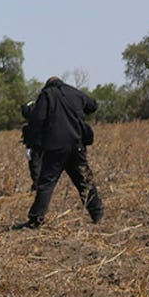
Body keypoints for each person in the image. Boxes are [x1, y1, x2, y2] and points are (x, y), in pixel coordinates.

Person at [21, 76, 104, 229]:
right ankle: (97, 214)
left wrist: (34, 143)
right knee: (84, 180)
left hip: (55, 148)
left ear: (47, 85)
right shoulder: (74, 92)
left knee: (46, 183)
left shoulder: (46, 95)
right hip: (76, 145)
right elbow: (92, 105)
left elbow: (38, 118)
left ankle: (36, 219)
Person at [18, 100, 40, 191]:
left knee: (34, 165)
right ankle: (39, 184)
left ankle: (37, 184)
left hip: (34, 146)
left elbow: (25, 109)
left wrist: (28, 147)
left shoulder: (29, 126)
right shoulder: (40, 121)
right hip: (42, 145)